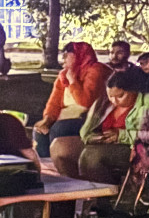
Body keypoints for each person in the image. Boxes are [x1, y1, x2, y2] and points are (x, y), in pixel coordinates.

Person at [75, 67, 149, 192]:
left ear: (133, 90)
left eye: (120, 96)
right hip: (102, 146)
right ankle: (77, 196)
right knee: (63, 148)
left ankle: (105, 195)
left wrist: (123, 135)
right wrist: (95, 137)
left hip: (138, 149)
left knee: (91, 156)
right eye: (110, 96)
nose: (114, 101)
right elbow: (86, 130)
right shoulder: (104, 103)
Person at [33, 40, 109, 175]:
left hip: (90, 119)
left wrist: (73, 81)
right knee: (40, 132)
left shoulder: (96, 70)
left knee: (59, 128)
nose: (63, 59)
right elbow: (53, 103)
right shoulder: (63, 75)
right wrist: (47, 119)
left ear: (79, 55)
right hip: (65, 117)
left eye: (67, 55)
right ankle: (49, 172)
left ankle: (64, 171)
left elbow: (85, 102)